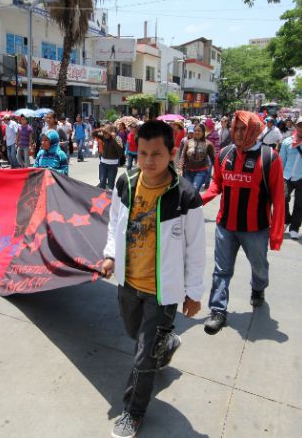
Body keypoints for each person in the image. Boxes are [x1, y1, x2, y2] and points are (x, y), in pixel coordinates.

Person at [100, 120, 205, 438]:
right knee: (135, 334)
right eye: (142, 152)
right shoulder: (126, 182)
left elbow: (196, 248)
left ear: (173, 153)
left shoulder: (186, 195)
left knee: (143, 355)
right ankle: (168, 342)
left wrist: (194, 291)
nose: (148, 160)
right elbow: (114, 221)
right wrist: (110, 255)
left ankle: (133, 412)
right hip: (128, 283)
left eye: (156, 154)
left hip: (164, 292)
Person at [201, 110, 285, 335]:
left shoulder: (270, 158)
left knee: (259, 267)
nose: (238, 133)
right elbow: (216, 185)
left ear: (255, 130)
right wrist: (196, 199)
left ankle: (258, 288)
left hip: (255, 229)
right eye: (236, 128)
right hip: (225, 226)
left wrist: (276, 235)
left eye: (243, 128)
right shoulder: (225, 154)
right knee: (221, 270)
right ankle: (218, 311)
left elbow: (278, 198)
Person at [179, 123, 215, 192]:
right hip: (188, 172)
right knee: (188, 191)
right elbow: (183, 156)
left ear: (203, 132)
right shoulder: (188, 142)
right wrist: (180, 169)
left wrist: (217, 172)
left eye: (199, 131)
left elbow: (213, 159)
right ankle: (196, 203)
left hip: (201, 172)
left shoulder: (208, 144)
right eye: (195, 130)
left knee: (194, 190)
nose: (197, 132)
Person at [92, 124, 123, 189]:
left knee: (111, 184)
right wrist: (100, 129)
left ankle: (111, 197)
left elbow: (120, 152)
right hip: (103, 163)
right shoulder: (103, 136)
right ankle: (102, 197)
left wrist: (114, 139)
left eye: (106, 132)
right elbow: (93, 133)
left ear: (111, 131)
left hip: (113, 165)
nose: (104, 134)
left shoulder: (117, 138)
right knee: (102, 182)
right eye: (104, 132)